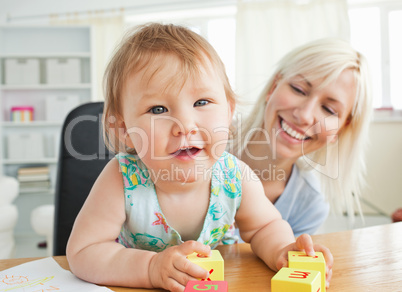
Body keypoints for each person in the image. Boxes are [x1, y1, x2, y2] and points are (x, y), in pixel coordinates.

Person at [66, 23, 333, 292]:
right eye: (158, 109)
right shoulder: (121, 180)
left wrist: (282, 249)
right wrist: (150, 268)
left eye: (202, 102)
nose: (185, 124)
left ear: (228, 112)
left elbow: (265, 227)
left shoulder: (235, 176)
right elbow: (84, 252)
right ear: (124, 129)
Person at [232, 38, 373, 236]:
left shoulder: (309, 207)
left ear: (340, 129)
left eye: (328, 109)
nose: (305, 115)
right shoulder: (198, 141)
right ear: (274, 87)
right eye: (298, 90)